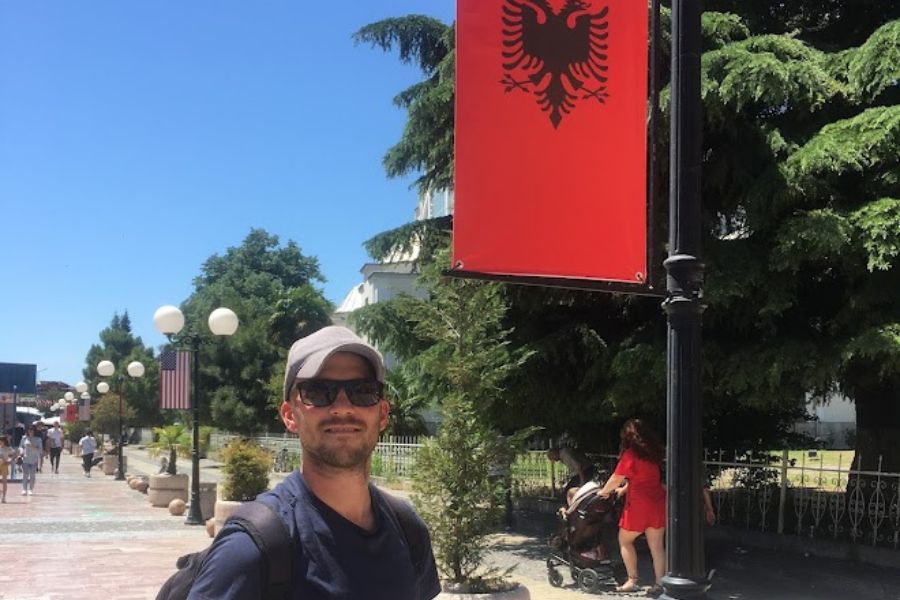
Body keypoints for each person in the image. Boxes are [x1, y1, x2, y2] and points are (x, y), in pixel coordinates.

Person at [189, 326, 441, 600]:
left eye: (363, 391)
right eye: (319, 391)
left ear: (381, 414)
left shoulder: (408, 529)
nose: (343, 407)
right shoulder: (251, 548)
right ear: (290, 415)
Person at [596, 419, 666, 595]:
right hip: (657, 502)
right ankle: (660, 583)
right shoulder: (653, 454)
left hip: (638, 505)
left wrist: (604, 491)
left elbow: (616, 478)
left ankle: (632, 580)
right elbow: (646, 477)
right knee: (657, 546)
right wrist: (625, 488)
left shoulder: (630, 455)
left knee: (625, 540)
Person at [19, 425, 43, 495]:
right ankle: (24, 489)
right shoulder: (24, 438)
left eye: (32, 430)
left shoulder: (38, 439)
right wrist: (21, 451)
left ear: (34, 431)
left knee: (32, 475)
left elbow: (40, 450)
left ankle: (30, 489)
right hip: (25, 459)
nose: (30, 431)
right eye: (29, 430)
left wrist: (33, 446)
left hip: (34, 459)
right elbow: (21, 446)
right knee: (25, 475)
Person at [0, 434, 15, 503]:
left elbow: (14, 455)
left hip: (4, 465)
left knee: (4, 481)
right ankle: (1, 492)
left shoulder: (8, 448)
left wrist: (9, 461)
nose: (0, 442)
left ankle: (4, 497)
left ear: (4, 441)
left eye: (1, 441)